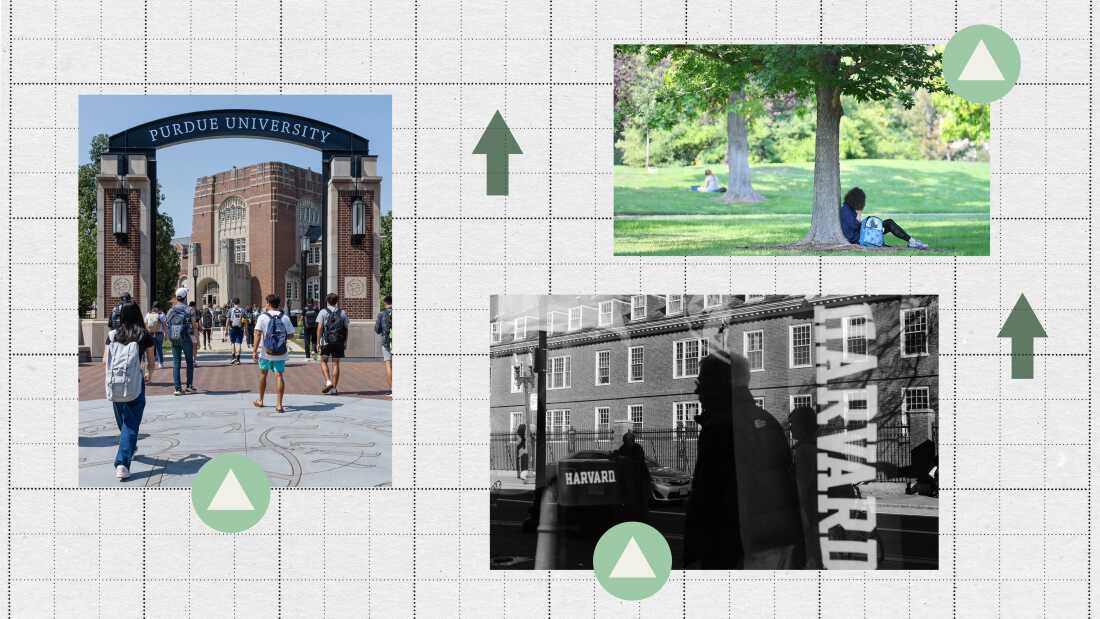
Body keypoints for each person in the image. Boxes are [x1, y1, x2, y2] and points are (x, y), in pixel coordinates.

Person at [104, 302, 155, 480]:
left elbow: (105, 359)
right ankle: (122, 464)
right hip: (134, 383)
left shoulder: (113, 335)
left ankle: (129, 447)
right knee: (130, 424)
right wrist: (148, 372)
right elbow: (151, 361)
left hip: (115, 383)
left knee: (124, 423)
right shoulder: (144, 335)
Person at [839, 186, 929, 250]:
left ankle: (911, 241)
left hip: (862, 234)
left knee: (888, 223)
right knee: (888, 224)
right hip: (860, 238)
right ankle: (912, 241)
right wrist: (859, 214)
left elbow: (856, 225)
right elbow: (854, 226)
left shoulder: (848, 208)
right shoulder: (846, 211)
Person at [789, 405, 823, 569]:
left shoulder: (804, 451)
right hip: (821, 514)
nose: (790, 428)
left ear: (802, 426)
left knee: (811, 561)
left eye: (793, 424)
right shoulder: (818, 447)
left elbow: (802, 487)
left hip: (810, 516)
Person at [252, 294, 294, 413]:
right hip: (280, 352)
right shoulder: (284, 317)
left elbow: (258, 334)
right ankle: (279, 404)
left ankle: (260, 400)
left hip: (266, 351)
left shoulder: (262, 317)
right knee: (279, 376)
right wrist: (281, 339)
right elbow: (291, 335)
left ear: (269, 304)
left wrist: (254, 350)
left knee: (263, 374)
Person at [165, 288, 198, 396]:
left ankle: (178, 388)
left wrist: (169, 336)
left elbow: (166, 323)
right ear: (185, 297)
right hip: (186, 336)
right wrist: (195, 338)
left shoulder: (171, 310)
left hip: (174, 336)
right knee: (189, 362)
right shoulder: (189, 310)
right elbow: (194, 325)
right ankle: (189, 386)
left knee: (176, 363)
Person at [317, 293, 349, 395]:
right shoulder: (342, 313)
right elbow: (346, 328)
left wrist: (318, 342)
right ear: (337, 301)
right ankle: (334, 389)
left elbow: (320, 328)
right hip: (339, 341)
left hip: (326, 341)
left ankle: (328, 381)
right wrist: (345, 342)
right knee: (336, 364)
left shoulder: (323, 312)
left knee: (323, 361)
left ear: (327, 301)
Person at [617, 430, 652, 524]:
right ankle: (632, 518)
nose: (625, 442)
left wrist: (624, 458)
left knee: (641, 501)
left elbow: (638, 460)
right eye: (624, 440)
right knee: (630, 502)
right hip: (629, 479)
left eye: (627, 440)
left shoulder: (637, 448)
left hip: (641, 478)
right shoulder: (622, 448)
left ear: (632, 440)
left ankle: (642, 520)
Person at [375, 295, 393, 393]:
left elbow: (377, 330)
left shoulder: (381, 314)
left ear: (385, 303)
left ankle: (392, 389)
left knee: (388, 365)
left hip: (386, 342)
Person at [225, 298, 246, 365]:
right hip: (240, 328)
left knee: (233, 343)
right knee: (239, 343)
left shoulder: (230, 310)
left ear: (233, 303)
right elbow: (245, 320)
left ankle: (233, 357)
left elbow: (228, 320)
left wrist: (226, 329)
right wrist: (245, 329)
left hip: (232, 328)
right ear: (239, 302)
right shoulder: (242, 310)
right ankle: (238, 359)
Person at [144, 302, 164, 369]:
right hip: (159, 333)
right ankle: (160, 363)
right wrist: (166, 333)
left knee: (150, 349)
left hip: (150, 334)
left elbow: (145, 324)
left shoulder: (148, 314)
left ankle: (150, 363)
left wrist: (147, 332)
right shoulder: (161, 314)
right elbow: (164, 324)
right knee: (159, 348)